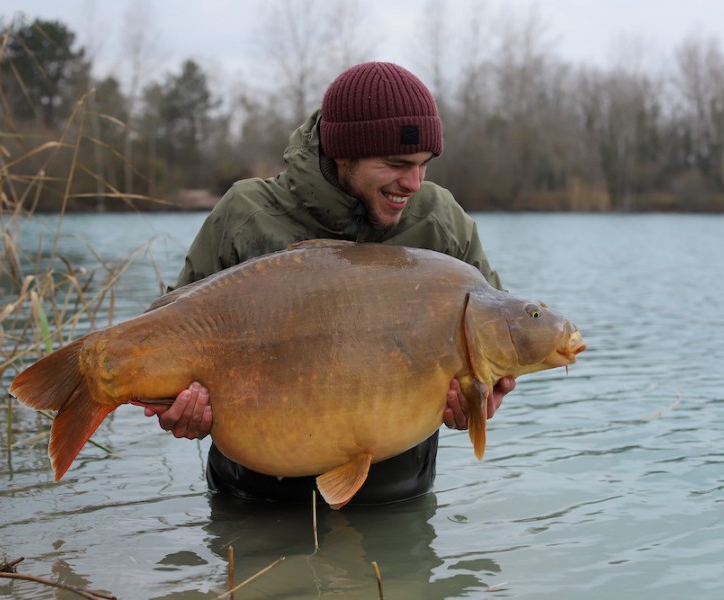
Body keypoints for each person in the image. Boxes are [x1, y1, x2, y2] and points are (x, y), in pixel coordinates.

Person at [146, 61, 516, 505]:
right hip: (252, 498)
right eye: (396, 164)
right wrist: (180, 409)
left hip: (396, 501)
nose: (414, 183)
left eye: (424, 165)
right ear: (343, 152)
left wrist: (482, 399)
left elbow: (500, 336)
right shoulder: (246, 214)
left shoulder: (442, 222)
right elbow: (167, 340)